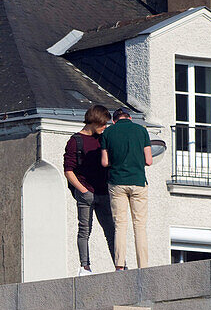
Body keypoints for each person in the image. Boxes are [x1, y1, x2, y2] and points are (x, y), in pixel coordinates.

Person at [63, 105, 116, 276]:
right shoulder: (75, 141)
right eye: (102, 124)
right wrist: (83, 191)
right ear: (94, 122)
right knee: (85, 230)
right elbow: (68, 170)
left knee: (112, 231)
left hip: (104, 191)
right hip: (87, 192)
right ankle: (85, 267)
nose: (104, 128)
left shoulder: (103, 138)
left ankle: (119, 265)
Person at [100, 107, 152, 270]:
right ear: (129, 118)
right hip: (138, 181)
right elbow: (149, 160)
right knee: (139, 225)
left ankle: (120, 265)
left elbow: (104, 162)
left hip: (117, 183)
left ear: (114, 120)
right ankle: (143, 265)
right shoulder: (141, 131)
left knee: (120, 225)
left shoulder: (108, 133)